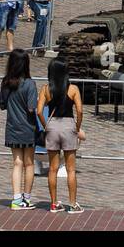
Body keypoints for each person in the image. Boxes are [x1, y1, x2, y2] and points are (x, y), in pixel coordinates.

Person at [37, 58, 85, 213]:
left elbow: (39, 111)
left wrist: (46, 125)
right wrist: (77, 127)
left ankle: (53, 203)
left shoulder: (46, 89)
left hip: (53, 127)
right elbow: (79, 111)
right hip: (68, 125)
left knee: (52, 169)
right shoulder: (73, 89)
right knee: (71, 169)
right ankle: (72, 204)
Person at [0, 49, 38, 209]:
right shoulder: (30, 84)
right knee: (29, 164)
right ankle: (26, 198)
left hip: (12, 127)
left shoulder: (6, 82)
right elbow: (31, 108)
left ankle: (15, 199)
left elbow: (2, 105)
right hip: (28, 128)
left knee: (17, 163)